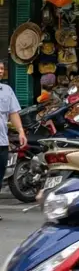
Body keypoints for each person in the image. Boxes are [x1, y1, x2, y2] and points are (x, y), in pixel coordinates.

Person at [0, 62, 26, 222]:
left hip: (1, 142)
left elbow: (13, 113)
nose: (0, 71)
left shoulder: (6, 91)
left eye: (2, 69)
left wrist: (21, 131)